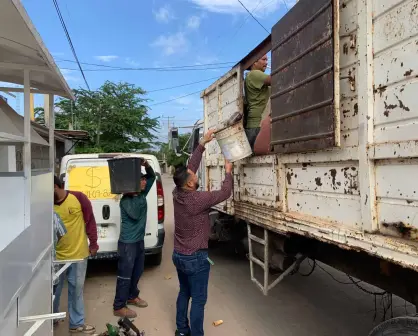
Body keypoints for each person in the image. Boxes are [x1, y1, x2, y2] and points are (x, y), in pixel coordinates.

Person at [172, 130, 233, 336]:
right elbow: (225, 193)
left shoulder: (177, 193)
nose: (196, 174)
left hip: (179, 255)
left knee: (184, 293)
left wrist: (202, 144)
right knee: (198, 300)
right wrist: (228, 171)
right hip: (195, 257)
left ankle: (182, 330)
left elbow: (190, 168)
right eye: (194, 177)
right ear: (190, 184)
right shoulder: (197, 199)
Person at [53, 175, 99, 335]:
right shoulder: (44, 204)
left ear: (55, 186)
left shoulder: (78, 198)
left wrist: (93, 243)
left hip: (78, 255)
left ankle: (76, 323)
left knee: (76, 289)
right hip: (56, 257)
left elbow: (90, 221)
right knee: (53, 291)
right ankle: (52, 318)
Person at [113, 159, 156, 318]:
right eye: (141, 180)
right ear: (132, 183)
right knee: (125, 274)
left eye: (144, 179)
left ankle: (132, 296)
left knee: (137, 271)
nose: (145, 181)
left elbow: (153, 178)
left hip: (138, 241)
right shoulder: (126, 201)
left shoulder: (141, 193)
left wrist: (147, 166)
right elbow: (137, 215)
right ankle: (119, 306)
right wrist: (131, 193)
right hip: (128, 244)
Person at [244, 54, 271, 150]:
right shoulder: (255, 74)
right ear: (254, 62)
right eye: (263, 59)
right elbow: (276, 79)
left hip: (255, 126)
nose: (266, 62)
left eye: (267, 60)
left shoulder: (253, 77)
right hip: (257, 126)